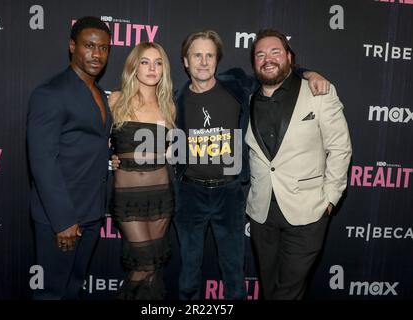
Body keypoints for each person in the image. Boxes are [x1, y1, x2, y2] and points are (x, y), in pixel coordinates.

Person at [173, 30, 331, 300]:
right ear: (185, 62)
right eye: (196, 55)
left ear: (217, 60)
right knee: (188, 273)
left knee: (234, 274)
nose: (203, 61)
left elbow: (274, 71)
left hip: (229, 195)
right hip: (190, 195)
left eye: (209, 55)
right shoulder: (175, 100)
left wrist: (309, 73)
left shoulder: (236, 86)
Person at [246, 29, 352, 300]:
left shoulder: (318, 91)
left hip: (308, 212)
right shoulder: (246, 97)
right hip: (261, 214)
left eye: (275, 52)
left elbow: (340, 148)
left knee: (288, 292)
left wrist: (330, 198)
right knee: (270, 289)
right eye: (260, 54)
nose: (267, 59)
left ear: (290, 58)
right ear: (254, 63)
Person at [26, 16, 112, 299]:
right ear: (72, 46)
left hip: (91, 212)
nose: (97, 54)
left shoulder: (98, 93)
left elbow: (91, 144)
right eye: (89, 46)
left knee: (73, 289)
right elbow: (42, 163)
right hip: (60, 217)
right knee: (51, 293)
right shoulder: (50, 93)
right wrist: (63, 221)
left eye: (103, 48)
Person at [108, 42, 176, 299]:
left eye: (158, 62)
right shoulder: (116, 100)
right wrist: (110, 156)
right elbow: (96, 142)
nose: (152, 68)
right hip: (128, 199)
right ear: (133, 67)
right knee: (143, 264)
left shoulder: (168, 106)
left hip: (161, 198)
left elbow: (171, 152)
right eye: (145, 62)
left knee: (154, 266)